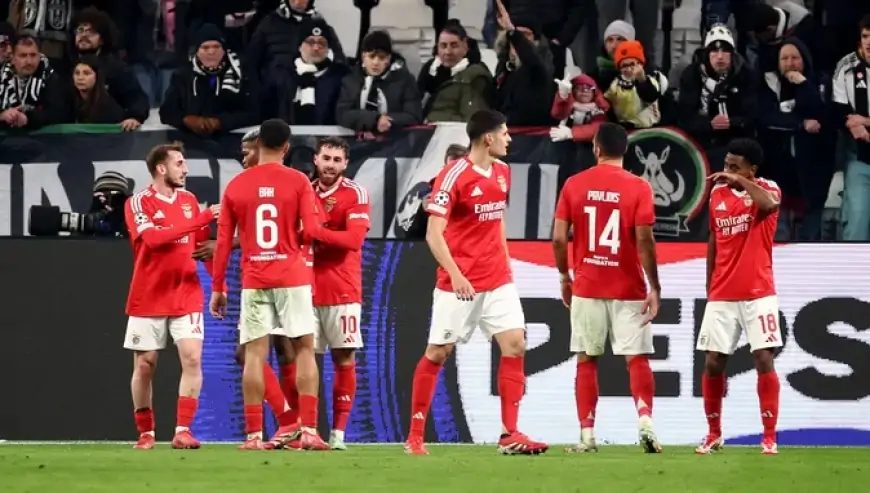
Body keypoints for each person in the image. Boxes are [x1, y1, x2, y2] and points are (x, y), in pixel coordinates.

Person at [405, 109, 548, 456]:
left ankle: (509, 433)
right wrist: (456, 274)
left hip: (497, 279)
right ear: (488, 137)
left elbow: (497, 217)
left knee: (515, 345)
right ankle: (415, 437)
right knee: (438, 353)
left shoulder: (502, 172)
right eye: (505, 133)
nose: (509, 139)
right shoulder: (452, 176)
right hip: (461, 283)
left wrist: (506, 259)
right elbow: (433, 234)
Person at [209, 118, 329, 450]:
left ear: (258, 144)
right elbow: (314, 231)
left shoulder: (236, 186)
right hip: (292, 276)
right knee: (305, 349)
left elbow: (222, 243)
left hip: (254, 277)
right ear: (287, 148)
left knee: (253, 355)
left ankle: (253, 436)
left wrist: (218, 287)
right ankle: (309, 431)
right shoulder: (298, 181)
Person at [552, 122, 663, 454]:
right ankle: (645, 420)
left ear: (596, 149)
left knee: (587, 359)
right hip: (628, 286)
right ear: (626, 150)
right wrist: (654, 285)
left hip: (587, 284)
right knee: (637, 358)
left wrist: (564, 277)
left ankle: (587, 437)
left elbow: (559, 238)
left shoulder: (574, 184)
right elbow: (645, 240)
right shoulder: (639, 187)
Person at [122, 142, 220, 450]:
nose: (186, 169)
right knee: (145, 365)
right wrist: (200, 219)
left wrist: (220, 287)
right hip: (148, 294)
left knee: (192, 358)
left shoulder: (189, 200)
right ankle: (146, 431)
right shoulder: (139, 202)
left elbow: (203, 248)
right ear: (161, 168)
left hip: (186, 291)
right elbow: (152, 239)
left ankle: (183, 430)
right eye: (179, 163)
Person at [696, 138, 782, 456]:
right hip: (722, 293)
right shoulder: (717, 194)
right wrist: (710, 287)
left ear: (752, 169)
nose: (727, 171)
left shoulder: (767, 189)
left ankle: (769, 437)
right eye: (726, 165)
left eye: (735, 166)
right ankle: (713, 433)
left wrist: (742, 182)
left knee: (763, 357)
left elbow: (770, 206)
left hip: (758, 291)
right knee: (713, 362)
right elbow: (714, 239)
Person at [310, 136, 371, 450]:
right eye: (326, 158)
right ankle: (307, 430)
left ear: (345, 164)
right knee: (305, 361)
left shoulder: (355, 193)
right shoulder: (303, 191)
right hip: (304, 290)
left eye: (337, 160)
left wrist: (315, 233)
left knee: (343, 357)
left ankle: (338, 434)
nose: (330, 165)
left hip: (343, 289)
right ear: (316, 160)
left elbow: (354, 241)